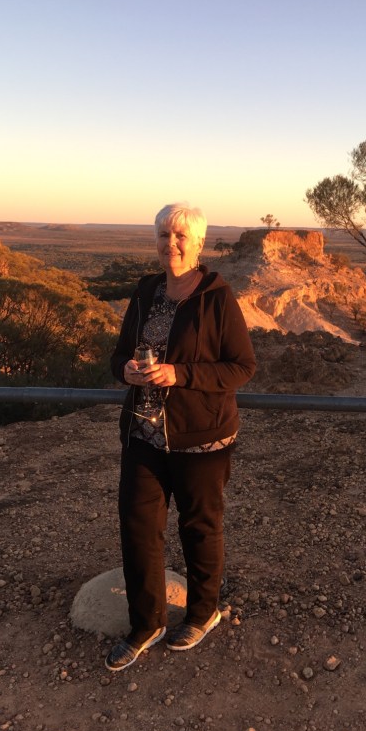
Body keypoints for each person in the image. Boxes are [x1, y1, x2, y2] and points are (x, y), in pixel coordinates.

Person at [105, 202, 256, 672]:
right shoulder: (146, 290)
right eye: (163, 235)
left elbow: (242, 367)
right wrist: (127, 371)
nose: (170, 244)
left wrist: (180, 374)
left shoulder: (217, 297)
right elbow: (118, 356)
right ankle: (145, 623)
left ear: (198, 244)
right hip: (144, 436)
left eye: (179, 237)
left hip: (201, 440)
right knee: (138, 525)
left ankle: (203, 611)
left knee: (199, 526)